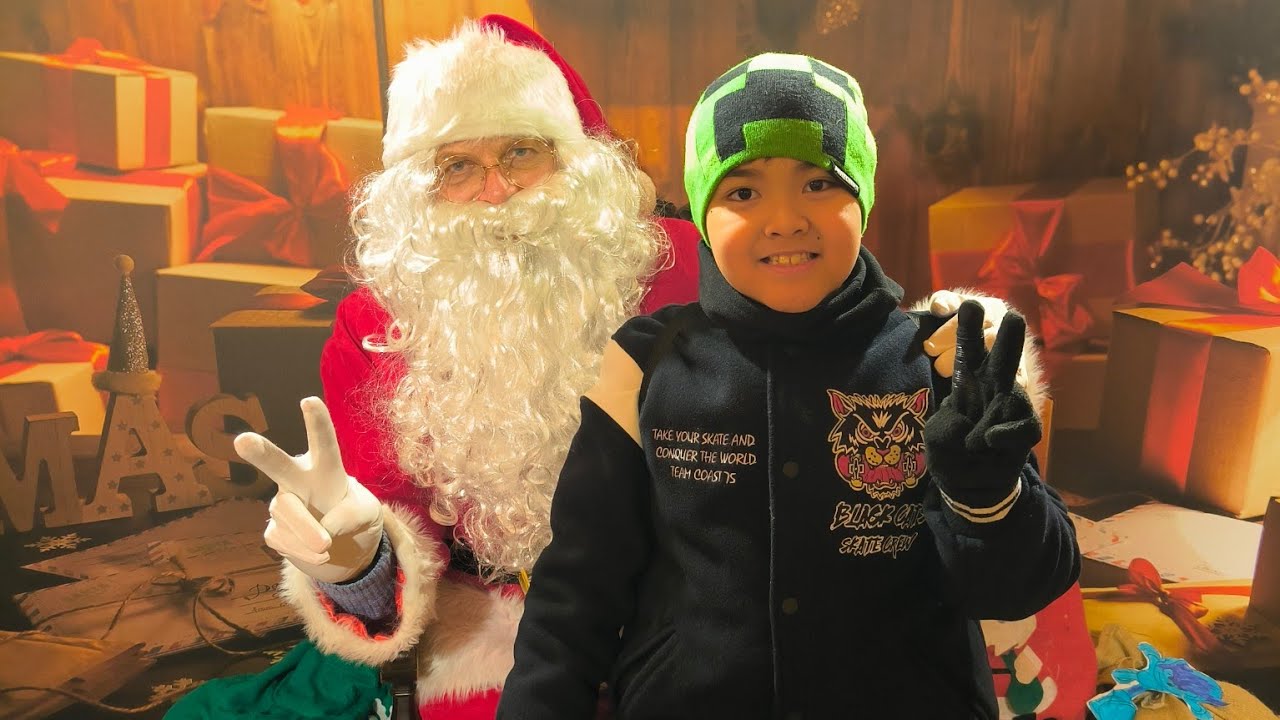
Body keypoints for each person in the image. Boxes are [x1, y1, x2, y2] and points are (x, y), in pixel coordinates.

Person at [233, 20, 1041, 719]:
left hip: (715, 598)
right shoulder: (375, 328)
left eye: (522, 151)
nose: (497, 192)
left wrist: (952, 357)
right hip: (502, 627)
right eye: (456, 166)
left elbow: (840, 321)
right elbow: (405, 558)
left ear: (578, 163)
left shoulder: (688, 262)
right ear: (419, 190)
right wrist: (356, 566)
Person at [496, 53, 1080, 719]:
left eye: (819, 184)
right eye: (742, 192)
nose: (784, 220)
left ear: (863, 196)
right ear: (702, 212)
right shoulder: (644, 365)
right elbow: (578, 589)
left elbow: (1020, 588)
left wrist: (990, 495)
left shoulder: (936, 361)